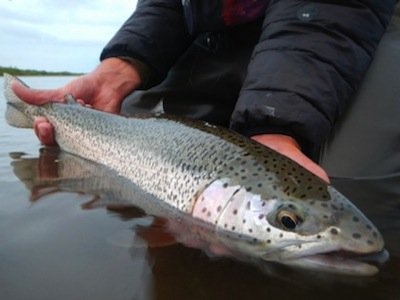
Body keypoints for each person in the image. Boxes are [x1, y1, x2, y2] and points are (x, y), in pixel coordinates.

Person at [12, 0, 397, 183]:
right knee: (124, 119)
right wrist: (118, 70)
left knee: (347, 181)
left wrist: (277, 124)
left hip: (341, 22)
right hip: (216, 32)